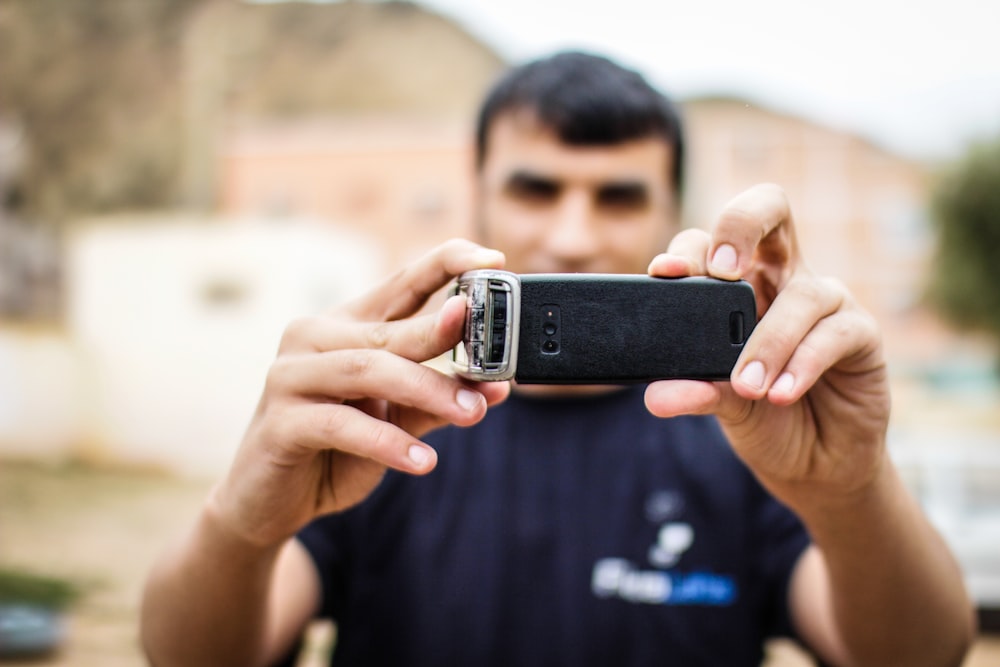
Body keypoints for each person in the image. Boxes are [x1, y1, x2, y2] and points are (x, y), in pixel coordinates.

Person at [141, 51, 975, 666]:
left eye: (618, 195)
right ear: (478, 195)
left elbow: (923, 656)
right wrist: (240, 525)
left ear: (669, 214)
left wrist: (852, 490)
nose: (572, 235)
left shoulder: (752, 426)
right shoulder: (381, 415)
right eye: (536, 189)